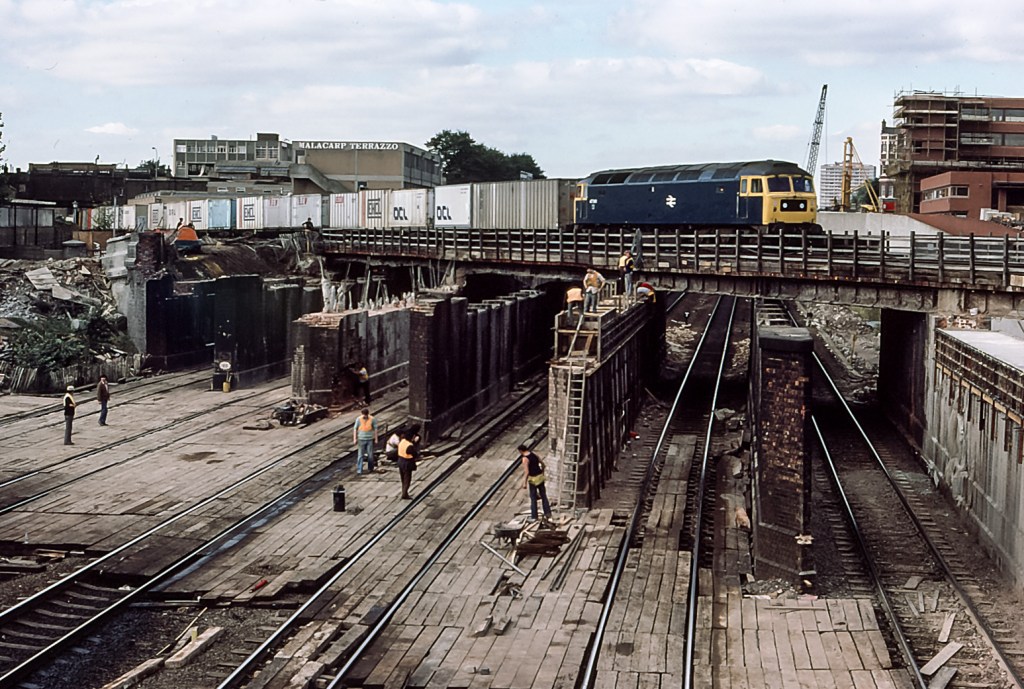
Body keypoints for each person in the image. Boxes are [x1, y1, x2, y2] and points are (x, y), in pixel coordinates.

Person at [519, 444, 552, 523]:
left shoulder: (525, 459)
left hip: (533, 479)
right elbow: (543, 464)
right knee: (543, 496)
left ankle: (534, 516)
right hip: (540, 477)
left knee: (533, 498)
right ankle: (548, 513)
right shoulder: (534, 454)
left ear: (520, 451)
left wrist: (524, 483)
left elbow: (527, 472)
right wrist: (542, 473)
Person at [352, 407, 379, 474]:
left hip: (369, 439)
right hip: (361, 439)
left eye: (366, 415)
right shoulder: (358, 419)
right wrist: (355, 439)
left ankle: (370, 468)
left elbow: (375, 429)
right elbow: (355, 429)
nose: (365, 416)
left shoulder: (372, 419)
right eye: (363, 415)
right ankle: (359, 470)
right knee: (360, 455)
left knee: (370, 455)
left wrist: (376, 438)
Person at [397, 429, 420, 499]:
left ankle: (404, 491)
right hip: (407, 463)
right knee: (407, 479)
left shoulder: (402, 441)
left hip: (400, 461)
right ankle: (404, 494)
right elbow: (415, 454)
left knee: (403, 478)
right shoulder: (409, 445)